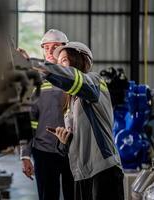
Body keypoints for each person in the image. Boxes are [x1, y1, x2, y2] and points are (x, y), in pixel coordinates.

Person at [33, 41, 124, 200]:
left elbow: (75, 80)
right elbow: (75, 143)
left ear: (78, 60)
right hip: (81, 174)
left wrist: (39, 66)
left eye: (63, 61)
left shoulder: (95, 82)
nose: (60, 66)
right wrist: (64, 140)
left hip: (103, 171)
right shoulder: (70, 101)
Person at [19, 29, 74, 200]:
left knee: (74, 195)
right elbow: (28, 120)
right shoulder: (36, 80)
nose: (50, 51)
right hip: (44, 152)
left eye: (55, 47)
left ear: (65, 49)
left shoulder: (77, 78)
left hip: (73, 151)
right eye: (46, 47)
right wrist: (25, 155)